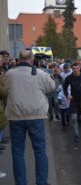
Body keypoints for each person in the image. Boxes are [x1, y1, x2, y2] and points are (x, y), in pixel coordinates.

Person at [5, 50, 55, 185]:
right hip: (36, 116)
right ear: (32, 60)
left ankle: (21, 182)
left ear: (19, 60)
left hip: (16, 117)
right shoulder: (40, 74)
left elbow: (6, 89)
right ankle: (42, 182)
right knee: (39, 151)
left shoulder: (9, 74)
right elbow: (52, 87)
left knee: (18, 152)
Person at [63, 62, 81, 143]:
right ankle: (77, 135)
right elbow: (64, 87)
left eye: (77, 68)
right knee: (74, 118)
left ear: (79, 68)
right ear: (71, 69)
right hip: (74, 100)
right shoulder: (69, 77)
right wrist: (67, 95)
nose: (76, 70)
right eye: (74, 68)